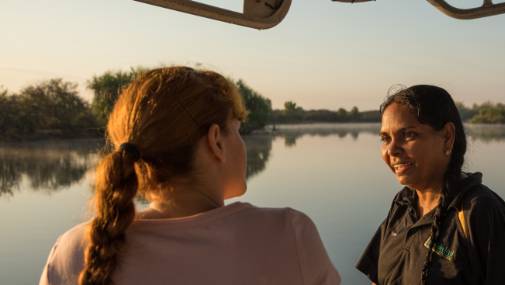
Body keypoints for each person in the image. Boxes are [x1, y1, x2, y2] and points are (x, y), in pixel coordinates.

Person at [39, 66, 340, 285]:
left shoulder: (74, 250)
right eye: (237, 130)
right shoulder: (287, 235)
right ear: (216, 141)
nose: (242, 142)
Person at [356, 85, 505, 285]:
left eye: (408, 135)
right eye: (385, 138)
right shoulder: (403, 204)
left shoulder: (478, 211)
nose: (392, 150)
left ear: (447, 137)